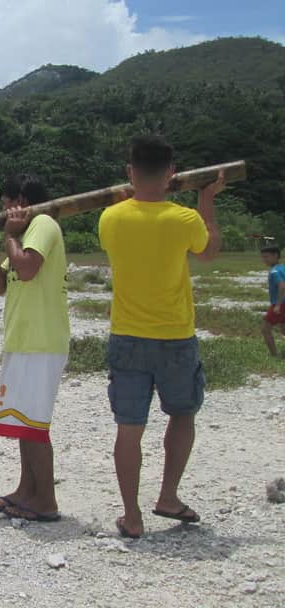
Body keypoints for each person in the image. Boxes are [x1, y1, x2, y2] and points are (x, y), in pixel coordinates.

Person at [99, 135, 225, 539]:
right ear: (172, 173)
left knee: (129, 427)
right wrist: (206, 200)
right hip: (175, 335)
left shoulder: (110, 218)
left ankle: (132, 516)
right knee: (182, 414)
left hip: (127, 336)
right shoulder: (184, 219)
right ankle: (168, 496)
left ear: (130, 171)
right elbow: (207, 253)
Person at [0, 175, 68, 522]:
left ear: (20, 200)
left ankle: (45, 500)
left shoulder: (44, 224)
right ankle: (26, 491)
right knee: (23, 422)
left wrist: (7, 235)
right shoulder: (22, 236)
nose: (4, 209)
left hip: (40, 340)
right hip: (23, 340)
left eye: (6, 202)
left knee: (34, 426)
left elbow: (27, 267)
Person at [260, 244, 285, 357]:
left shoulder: (274, 271)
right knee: (283, 328)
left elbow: (282, 286)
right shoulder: (282, 268)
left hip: (279, 304)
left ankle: (275, 356)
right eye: (263, 257)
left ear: (275, 255)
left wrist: (278, 305)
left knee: (265, 329)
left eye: (266, 257)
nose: (264, 260)